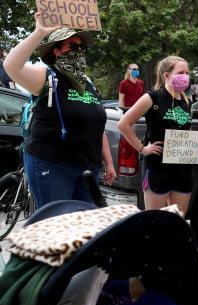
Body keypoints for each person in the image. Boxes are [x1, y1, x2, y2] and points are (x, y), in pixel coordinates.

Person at [3, 14, 115, 208]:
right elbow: (11, 65)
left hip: (88, 167)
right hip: (52, 165)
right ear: (56, 51)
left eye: (82, 47)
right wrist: (39, 33)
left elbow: (97, 127)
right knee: (55, 221)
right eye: (72, 46)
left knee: (85, 223)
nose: (79, 51)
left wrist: (109, 162)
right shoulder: (47, 77)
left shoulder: (88, 83)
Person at [118, 56, 198, 214]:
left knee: (176, 220)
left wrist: (196, 148)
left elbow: (186, 131)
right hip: (158, 169)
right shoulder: (152, 97)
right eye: (180, 72)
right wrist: (142, 149)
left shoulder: (186, 101)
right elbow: (123, 124)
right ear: (166, 75)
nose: (185, 76)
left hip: (183, 170)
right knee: (155, 220)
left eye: (187, 73)